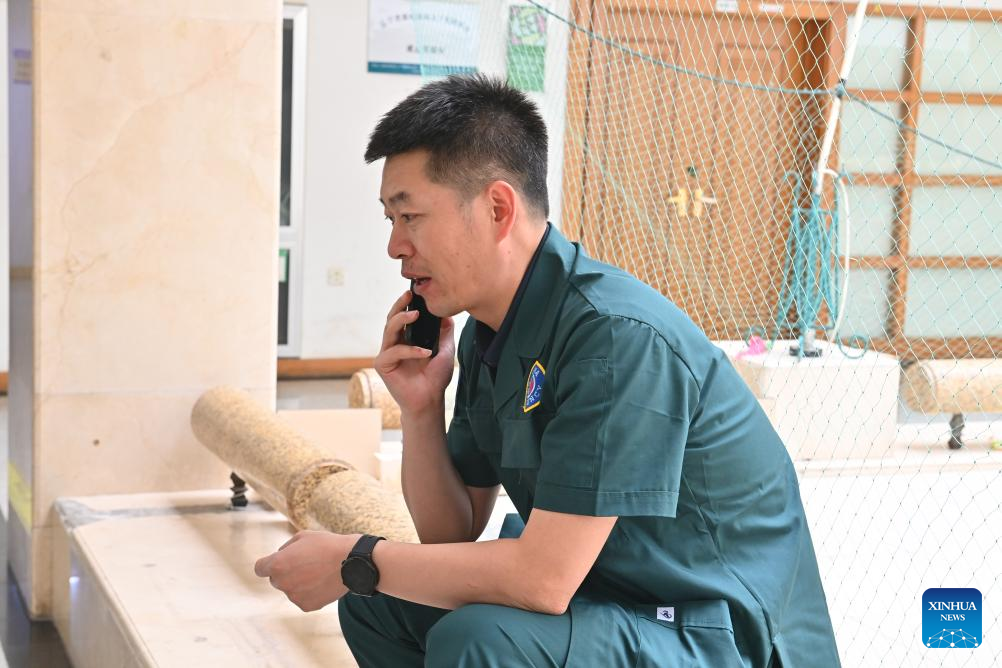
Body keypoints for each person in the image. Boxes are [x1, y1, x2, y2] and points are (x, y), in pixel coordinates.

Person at [254, 74, 841, 667]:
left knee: (475, 636)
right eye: (391, 220)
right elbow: (451, 532)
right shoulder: (491, 331)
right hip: (613, 601)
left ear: (497, 208)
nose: (395, 247)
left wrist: (355, 557)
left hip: (712, 632)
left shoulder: (614, 338)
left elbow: (543, 580)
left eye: (411, 216)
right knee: (377, 604)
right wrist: (421, 407)